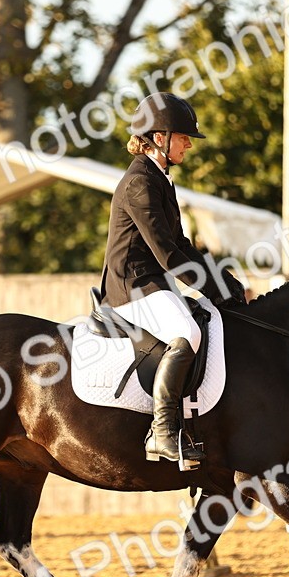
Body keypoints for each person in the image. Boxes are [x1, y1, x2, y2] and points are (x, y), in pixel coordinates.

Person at [100, 92, 247, 467]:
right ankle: (161, 432)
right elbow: (167, 254)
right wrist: (212, 287)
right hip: (132, 285)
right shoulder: (140, 183)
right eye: (183, 137)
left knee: (208, 322)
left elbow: (181, 244)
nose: (187, 145)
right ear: (159, 137)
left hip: (152, 283)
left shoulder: (159, 178)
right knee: (190, 333)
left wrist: (221, 279)